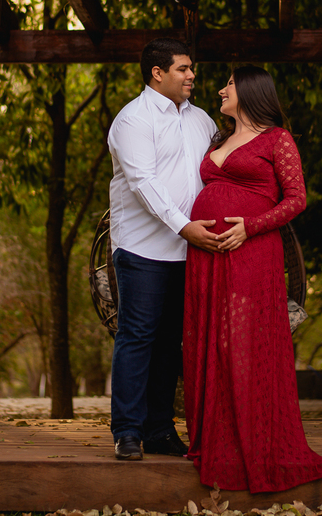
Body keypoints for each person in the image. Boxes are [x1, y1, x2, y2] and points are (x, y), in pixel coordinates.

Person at [183, 65, 322, 492]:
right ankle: (217, 439)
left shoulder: (277, 139)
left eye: (228, 83)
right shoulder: (219, 138)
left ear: (248, 90)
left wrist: (250, 226)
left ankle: (255, 442)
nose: (220, 89)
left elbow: (297, 198)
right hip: (206, 257)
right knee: (209, 341)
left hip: (251, 253)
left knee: (244, 343)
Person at [107, 38, 220, 461]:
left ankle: (158, 430)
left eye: (191, 69)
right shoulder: (133, 120)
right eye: (183, 69)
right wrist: (184, 226)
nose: (192, 75)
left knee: (171, 343)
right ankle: (128, 431)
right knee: (137, 337)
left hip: (191, 251)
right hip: (142, 250)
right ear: (158, 72)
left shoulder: (203, 120)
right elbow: (143, 184)